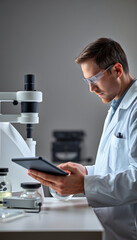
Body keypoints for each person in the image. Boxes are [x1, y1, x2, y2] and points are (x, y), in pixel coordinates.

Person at [28, 38, 137, 240]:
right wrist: (85, 172)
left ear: (117, 70)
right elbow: (117, 167)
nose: (91, 88)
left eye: (94, 79)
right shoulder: (116, 107)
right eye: (87, 81)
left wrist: (85, 184)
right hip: (111, 227)